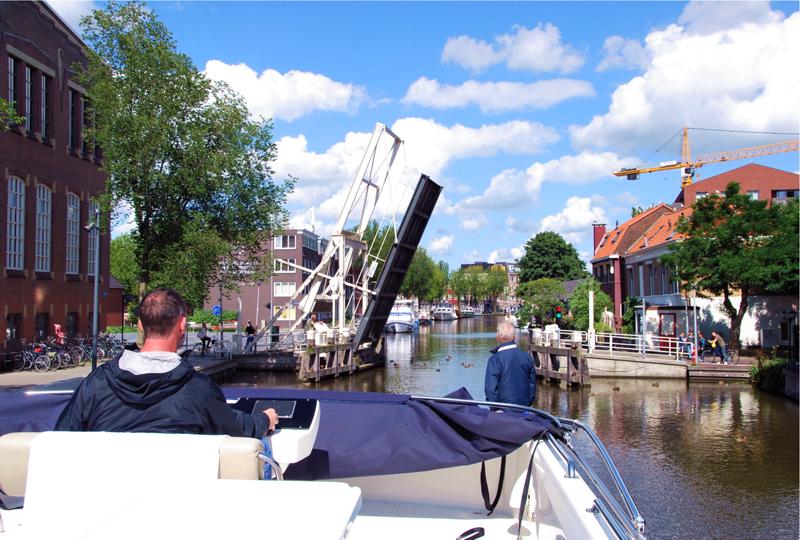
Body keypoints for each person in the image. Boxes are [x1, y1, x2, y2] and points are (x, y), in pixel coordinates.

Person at [55, 288, 278, 437]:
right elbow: (234, 428)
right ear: (182, 326)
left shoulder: (97, 383)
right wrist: (263, 420)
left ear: (140, 325)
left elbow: (62, 437)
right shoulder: (198, 390)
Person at [484, 321, 536, 406]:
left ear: (498, 337)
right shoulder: (527, 357)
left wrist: (496, 409)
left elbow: (490, 390)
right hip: (524, 409)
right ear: (514, 337)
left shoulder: (494, 360)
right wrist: (527, 404)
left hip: (503, 412)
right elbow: (532, 386)